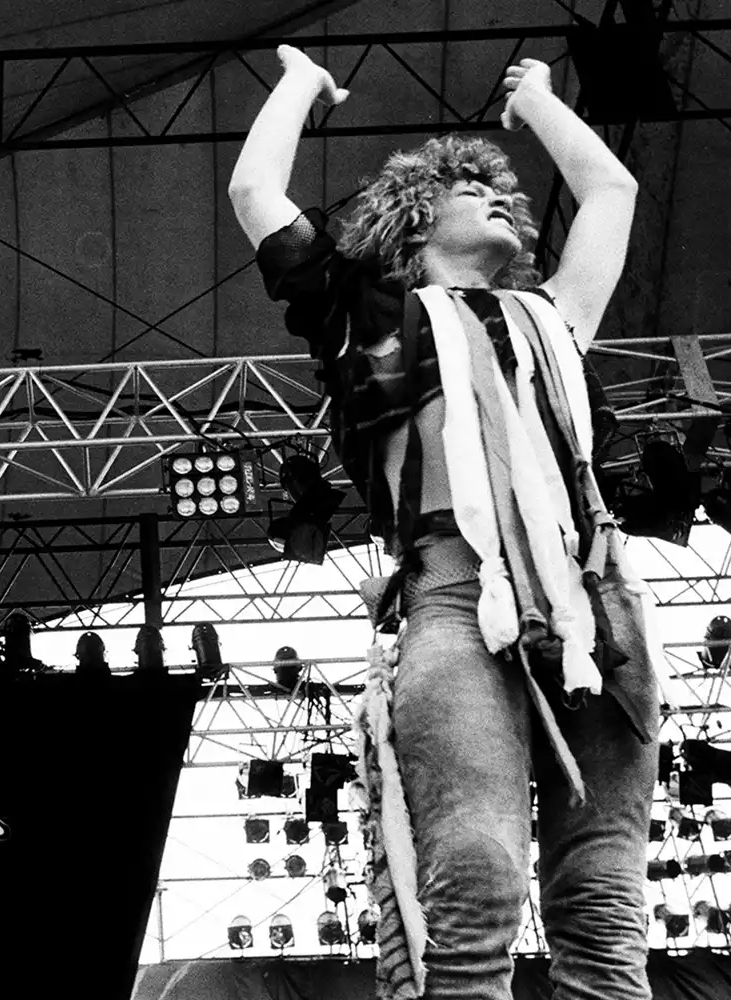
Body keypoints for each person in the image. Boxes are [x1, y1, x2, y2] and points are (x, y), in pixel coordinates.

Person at [230, 47, 659, 1000]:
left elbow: (612, 190)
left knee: (604, 898)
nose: (502, 199)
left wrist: (540, 103)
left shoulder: (552, 316)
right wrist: (303, 83)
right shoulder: (363, 313)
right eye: (473, 188)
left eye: (502, 189)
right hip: (456, 599)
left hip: (596, 596)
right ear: (417, 219)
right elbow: (256, 188)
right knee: (476, 874)